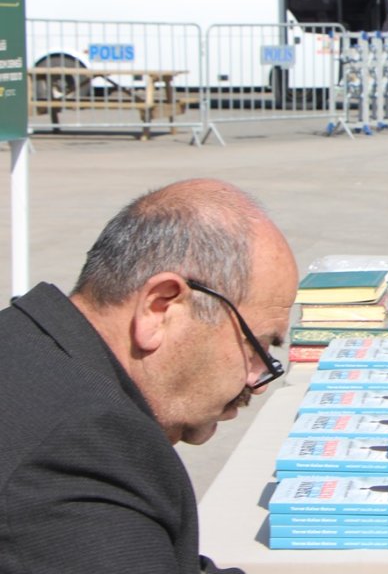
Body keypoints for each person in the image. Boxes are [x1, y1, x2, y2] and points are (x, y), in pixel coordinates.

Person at [0, 178, 298, 573]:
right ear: (160, 308)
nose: (256, 382)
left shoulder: (26, 341)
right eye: (257, 347)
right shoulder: (83, 448)